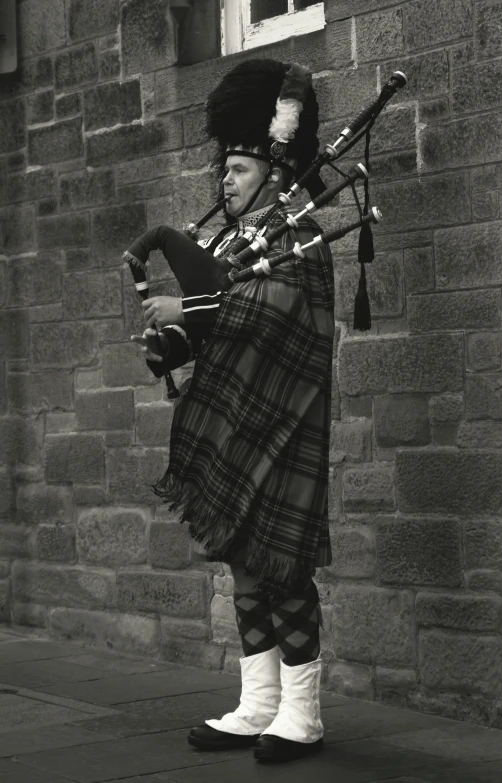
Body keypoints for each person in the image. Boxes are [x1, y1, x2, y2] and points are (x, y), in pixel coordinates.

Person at [131, 59, 334, 763]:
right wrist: (172, 344)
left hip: (283, 418)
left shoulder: (296, 238)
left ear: (273, 174)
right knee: (245, 566)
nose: (226, 180)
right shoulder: (235, 242)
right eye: (225, 169)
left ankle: (302, 713)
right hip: (236, 423)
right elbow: (218, 320)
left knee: (282, 564)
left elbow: (272, 313)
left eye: (240, 169)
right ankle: (258, 702)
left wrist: (187, 306)